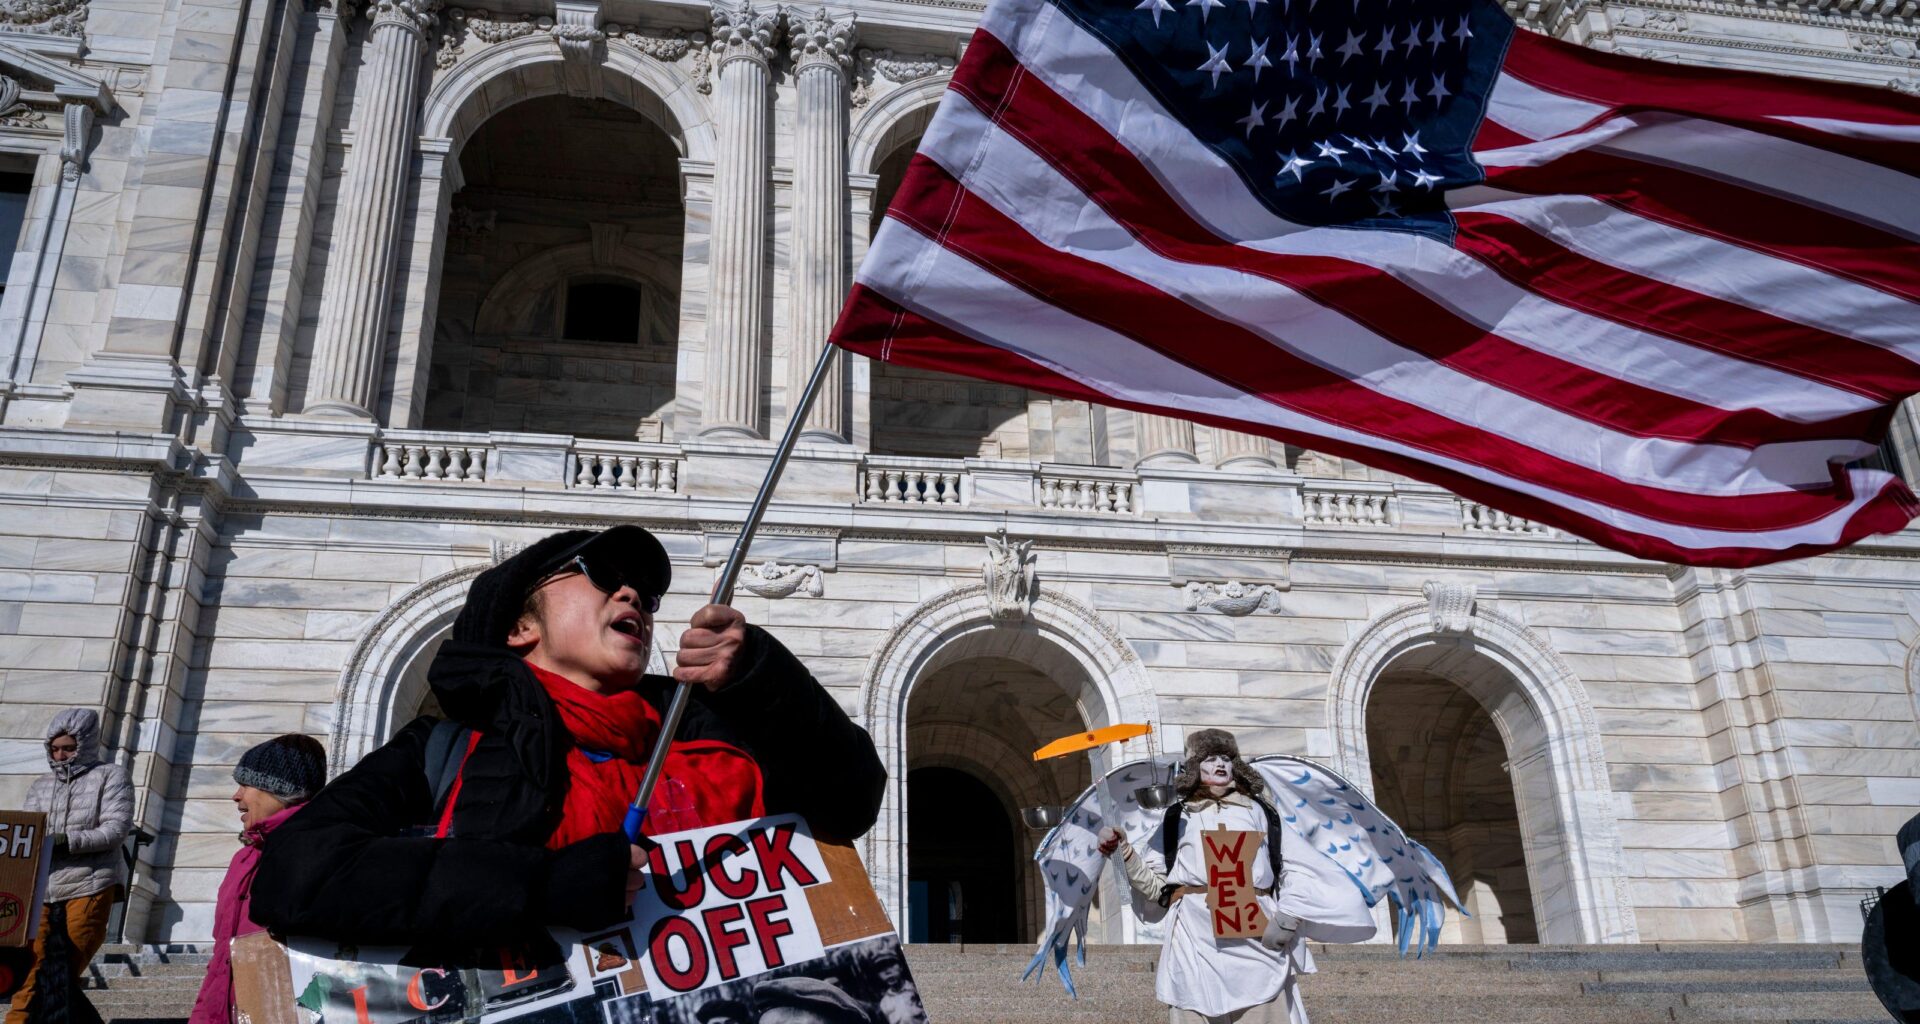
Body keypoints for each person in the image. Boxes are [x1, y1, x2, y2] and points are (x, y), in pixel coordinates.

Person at [251, 526, 885, 960]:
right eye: (601, 574)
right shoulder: (444, 748)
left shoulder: (703, 728)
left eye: (645, 591)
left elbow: (850, 802)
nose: (633, 594)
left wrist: (763, 681)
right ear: (519, 627)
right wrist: (543, 885)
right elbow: (295, 873)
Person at [1097, 730, 1329, 1024]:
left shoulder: (1261, 811)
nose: (1220, 764)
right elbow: (1158, 889)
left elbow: (1296, 868)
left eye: (1225, 758)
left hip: (1256, 942)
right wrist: (1124, 852)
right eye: (1210, 758)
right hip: (1195, 941)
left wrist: (1287, 919)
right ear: (1195, 767)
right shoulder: (1177, 817)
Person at [188, 735, 328, 1024]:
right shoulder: (243, 859)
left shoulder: (321, 850)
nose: (236, 796)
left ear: (279, 790)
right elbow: (221, 959)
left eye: (246, 785)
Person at [6, 709, 133, 1024]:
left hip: (91, 882)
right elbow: (29, 831)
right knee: (32, 963)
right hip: (43, 887)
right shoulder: (41, 785)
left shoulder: (111, 776)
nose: (60, 755)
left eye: (68, 748)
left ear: (85, 744)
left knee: (67, 965)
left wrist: (69, 841)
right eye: (54, 748)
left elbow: (116, 829)